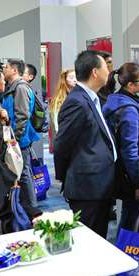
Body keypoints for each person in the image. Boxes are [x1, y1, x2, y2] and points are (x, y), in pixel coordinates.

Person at [53, 51, 117, 239]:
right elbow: (62, 144)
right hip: (87, 186)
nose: (109, 72)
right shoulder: (77, 102)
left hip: (98, 183)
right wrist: (65, 177)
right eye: (105, 67)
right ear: (95, 72)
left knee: (99, 235)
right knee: (90, 239)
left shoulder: (91, 97)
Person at [103, 63, 139, 232]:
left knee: (129, 218)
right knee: (132, 221)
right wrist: (138, 183)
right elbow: (130, 150)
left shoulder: (115, 101)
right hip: (129, 175)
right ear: (131, 85)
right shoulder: (129, 110)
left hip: (119, 171)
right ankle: (125, 247)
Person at [1, 59, 39, 204]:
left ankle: (32, 209)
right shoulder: (13, 87)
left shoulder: (20, 88)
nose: (4, 69)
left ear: (14, 70)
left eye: (6, 67)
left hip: (19, 140)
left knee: (23, 174)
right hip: (16, 139)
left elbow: (22, 116)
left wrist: (15, 139)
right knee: (21, 173)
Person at [48, 68, 76, 153]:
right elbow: (56, 122)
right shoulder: (60, 99)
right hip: (66, 140)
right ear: (65, 79)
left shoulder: (78, 94)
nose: (75, 80)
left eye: (76, 77)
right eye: (71, 78)